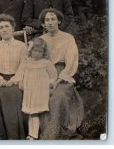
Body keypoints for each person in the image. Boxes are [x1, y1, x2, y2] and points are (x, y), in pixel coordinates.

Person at [38, 8, 84, 139]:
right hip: (45, 75)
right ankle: (44, 131)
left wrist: (58, 80)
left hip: (63, 75)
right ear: (43, 24)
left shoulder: (68, 38)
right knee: (42, 95)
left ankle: (52, 134)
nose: (50, 22)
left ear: (59, 21)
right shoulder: (41, 39)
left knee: (58, 96)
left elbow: (71, 63)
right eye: (47, 20)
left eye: (53, 19)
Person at [0, 14, 27, 139]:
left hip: (17, 80)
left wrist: (13, 80)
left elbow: (23, 66)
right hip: (1, 80)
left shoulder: (21, 46)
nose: (4, 30)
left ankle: (17, 135)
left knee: (16, 94)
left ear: (13, 28)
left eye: (7, 26)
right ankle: (3, 136)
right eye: (1, 27)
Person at [13, 38, 57, 140]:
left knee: (34, 112)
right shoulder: (27, 62)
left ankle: (33, 135)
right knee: (31, 112)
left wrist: (51, 83)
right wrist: (17, 81)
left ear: (43, 52)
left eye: (40, 51)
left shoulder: (46, 63)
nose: (37, 54)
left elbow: (53, 75)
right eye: (35, 51)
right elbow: (20, 73)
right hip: (29, 90)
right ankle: (31, 134)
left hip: (40, 90)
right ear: (31, 50)